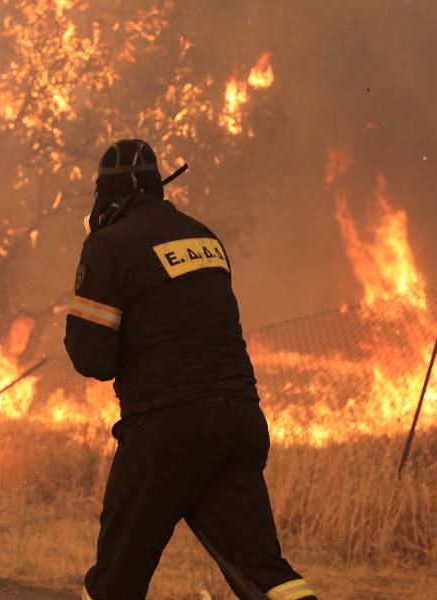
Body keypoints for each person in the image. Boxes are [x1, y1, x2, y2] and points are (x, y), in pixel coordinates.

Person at [65, 139, 316, 600]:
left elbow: (92, 358)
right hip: (239, 423)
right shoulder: (204, 237)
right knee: (265, 574)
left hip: (168, 428)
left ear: (107, 195)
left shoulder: (108, 245)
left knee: (115, 581)